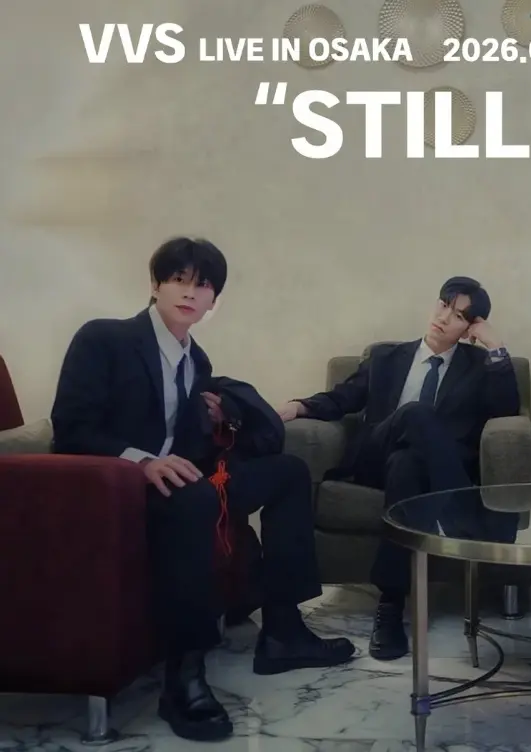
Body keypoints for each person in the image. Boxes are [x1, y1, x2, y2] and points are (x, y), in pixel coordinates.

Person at [50, 238, 354, 743]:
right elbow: (71, 428)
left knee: (288, 473)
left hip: (183, 484)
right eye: (179, 280)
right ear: (155, 285)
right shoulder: (104, 338)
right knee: (194, 498)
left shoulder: (199, 362)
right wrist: (142, 462)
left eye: (203, 285)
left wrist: (217, 425)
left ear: (214, 300)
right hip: (118, 487)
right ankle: (184, 677)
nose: (190, 293)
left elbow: (190, 448)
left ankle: (283, 631)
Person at [277, 276, 521, 661]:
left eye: (459, 316)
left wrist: (496, 347)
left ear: (470, 329)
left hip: (417, 471)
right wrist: (299, 406)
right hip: (375, 455)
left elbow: (506, 410)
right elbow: (343, 397)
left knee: (407, 464)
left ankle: (390, 606)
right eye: (443, 305)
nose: (444, 317)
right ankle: (464, 516)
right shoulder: (387, 357)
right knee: (417, 414)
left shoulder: (479, 366)